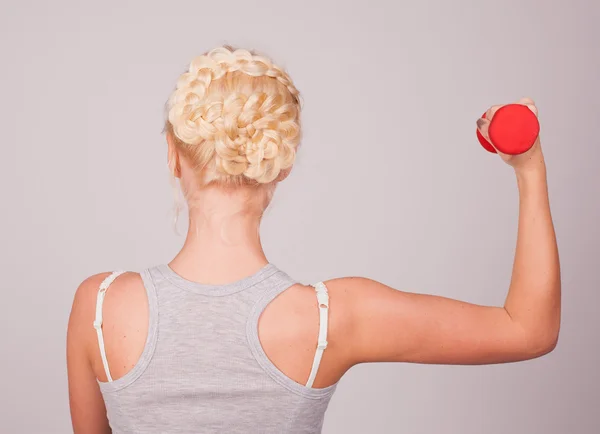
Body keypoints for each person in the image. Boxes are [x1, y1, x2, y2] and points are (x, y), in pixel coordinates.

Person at [66, 45, 561, 434]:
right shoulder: (330, 320)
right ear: (280, 165)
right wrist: (529, 168)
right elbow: (527, 329)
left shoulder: (100, 307)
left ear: (173, 156)